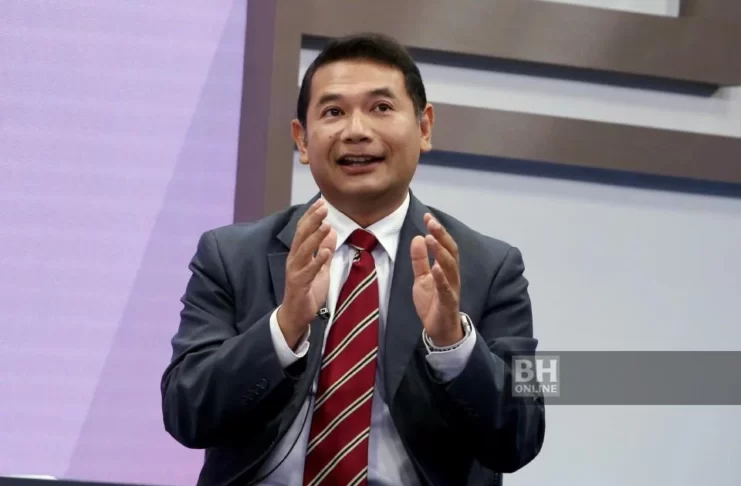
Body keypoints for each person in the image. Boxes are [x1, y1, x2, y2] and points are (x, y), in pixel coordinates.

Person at [161, 32, 545, 486]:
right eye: (333, 112)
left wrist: (454, 345)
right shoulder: (229, 256)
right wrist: (284, 327)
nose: (356, 130)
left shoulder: (494, 268)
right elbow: (185, 411)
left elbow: (523, 435)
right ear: (302, 140)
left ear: (424, 127)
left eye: (381, 107)